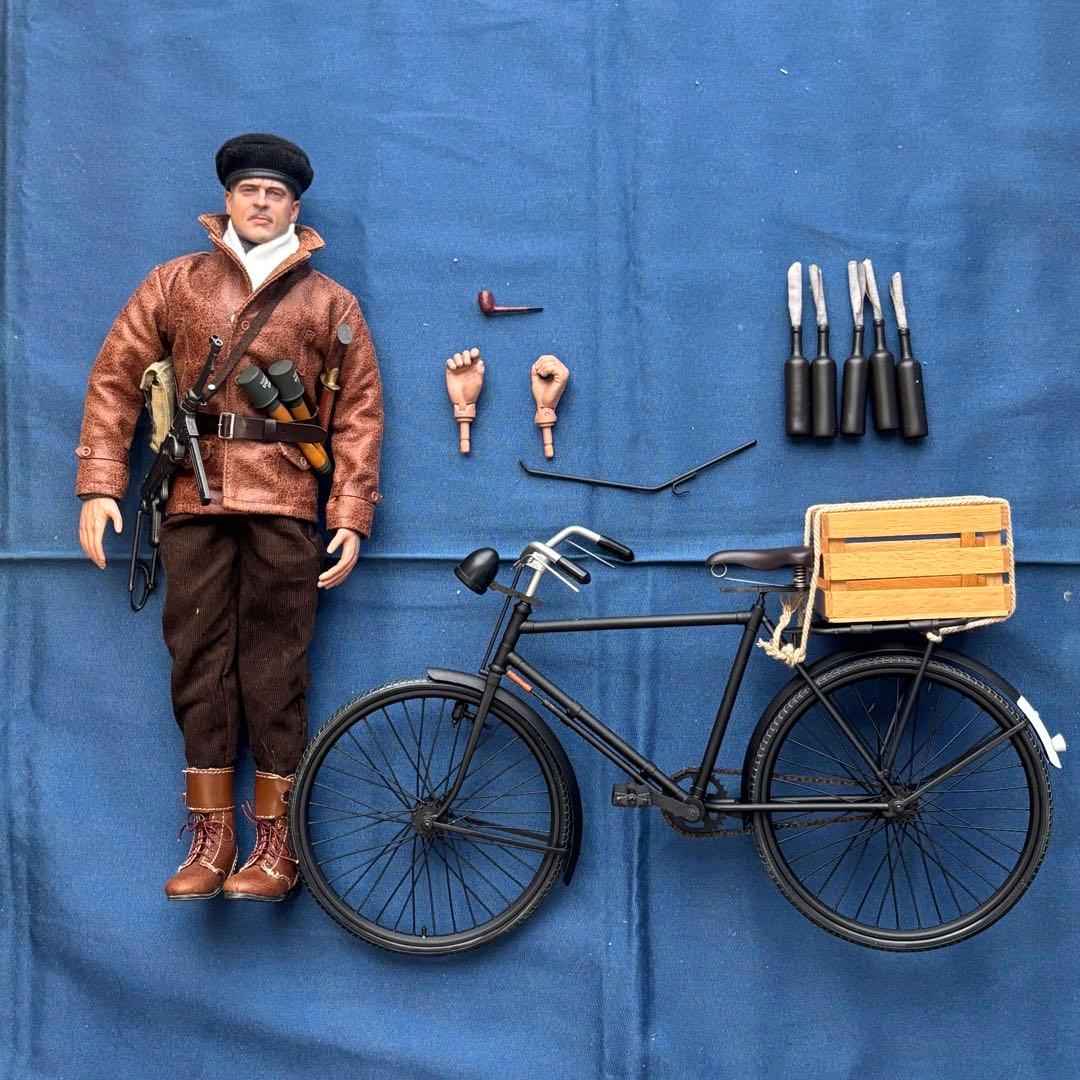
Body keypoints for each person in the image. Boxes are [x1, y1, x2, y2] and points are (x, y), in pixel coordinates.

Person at [75, 133, 383, 902]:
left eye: (275, 193)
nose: (261, 202)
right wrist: (101, 483)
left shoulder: (329, 302)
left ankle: (278, 843)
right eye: (250, 189)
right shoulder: (175, 282)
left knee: (278, 667)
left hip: (286, 500)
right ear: (229, 199)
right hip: (195, 497)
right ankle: (212, 836)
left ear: (295, 207)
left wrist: (350, 510)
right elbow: (115, 377)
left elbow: (359, 412)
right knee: (197, 661)